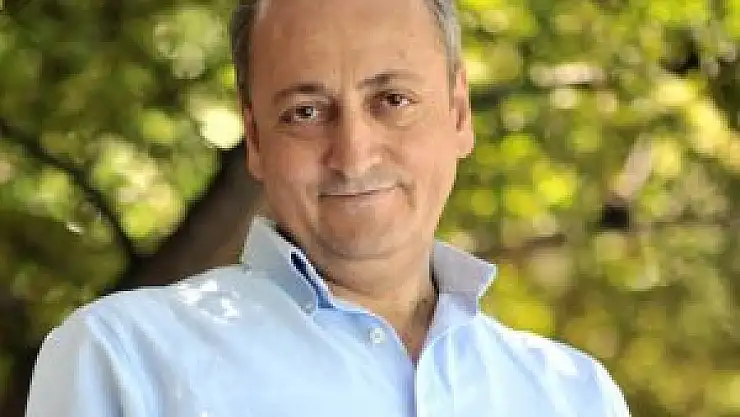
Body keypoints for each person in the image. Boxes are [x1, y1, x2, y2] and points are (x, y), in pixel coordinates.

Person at [25, 0, 631, 416]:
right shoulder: (123, 360)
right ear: (255, 138)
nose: (354, 156)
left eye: (392, 100)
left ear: (458, 113)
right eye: (306, 112)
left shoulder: (573, 396)